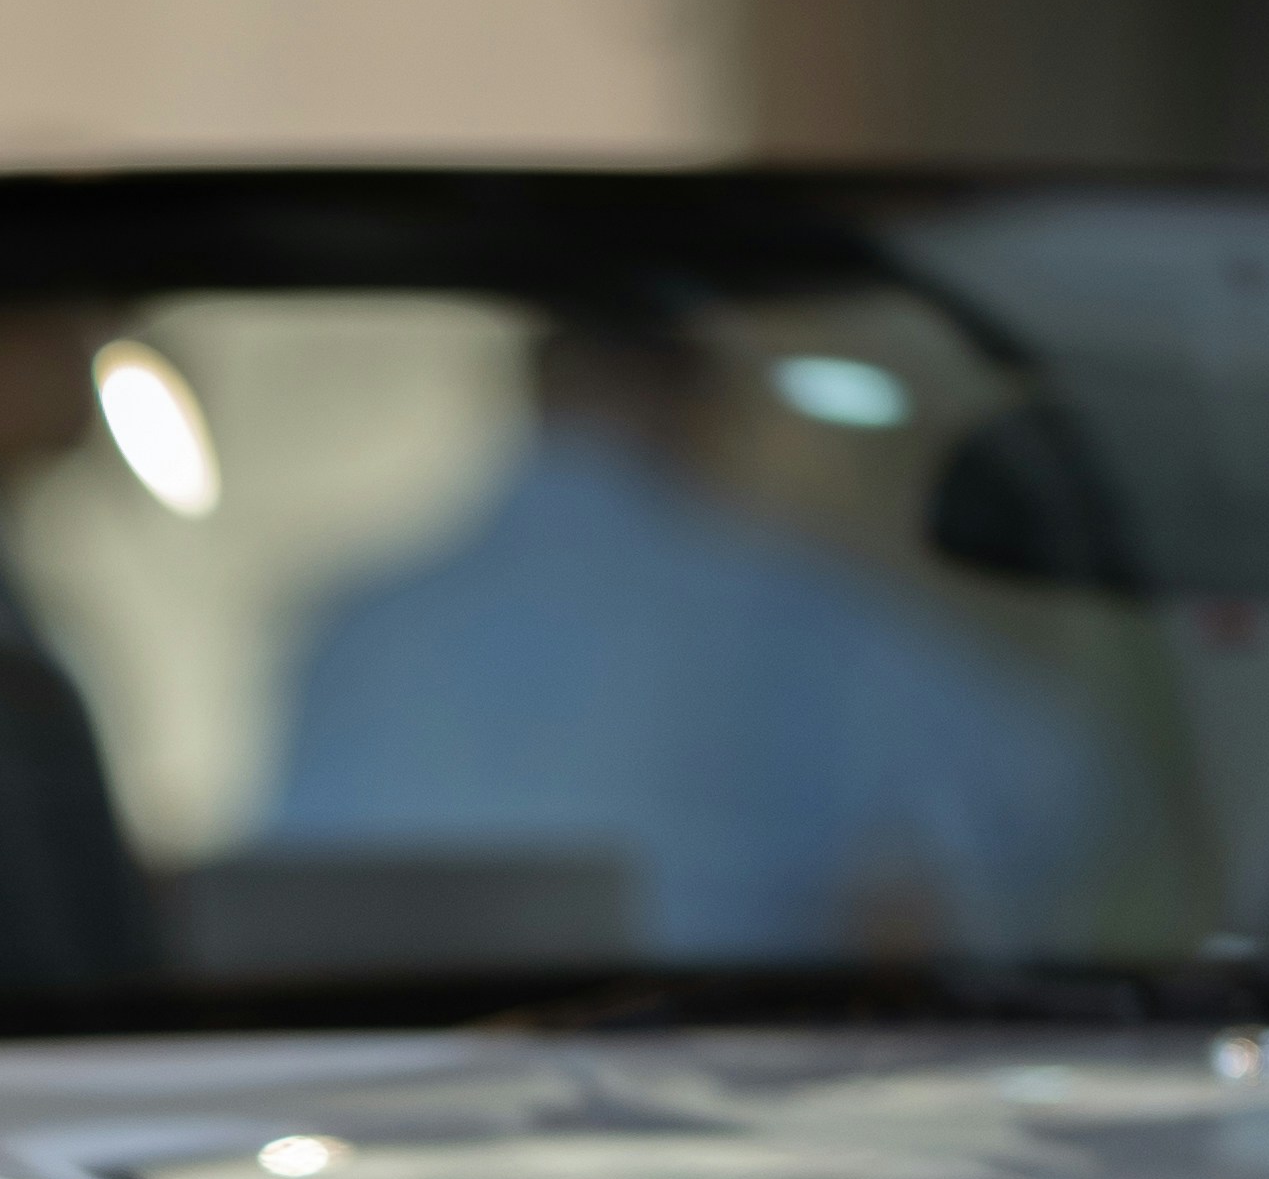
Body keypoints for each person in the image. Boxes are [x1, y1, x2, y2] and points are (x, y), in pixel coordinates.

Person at [266, 312, 1109, 957]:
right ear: (692, 397)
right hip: (716, 1085)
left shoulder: (358, 622)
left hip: (389, 1099)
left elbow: (281, 895)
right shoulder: (789, 608)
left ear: (535, 389)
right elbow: (1037, 786)